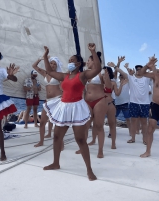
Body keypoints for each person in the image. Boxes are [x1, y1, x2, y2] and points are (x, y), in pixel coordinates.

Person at [42, 43, 100, 181]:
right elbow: (49, 71)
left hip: (77, 107)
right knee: (57, 137)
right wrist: (45, 56)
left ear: (79, 64)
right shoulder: (64, 76)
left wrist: (94, 52)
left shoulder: (83, 75)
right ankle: (56, 163)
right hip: (64, 107)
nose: (70, 62)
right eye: (69, 61)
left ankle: (89, 170)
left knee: (80, 139)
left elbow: (97, 69)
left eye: (72, 60)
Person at [115, 62, 152, 145]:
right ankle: (133, 138)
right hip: (133, 103)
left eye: (140, 69)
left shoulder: (147, 78)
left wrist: (151, 67)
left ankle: (145, 139)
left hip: (145, 104)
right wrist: (115, 66)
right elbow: (122, 72)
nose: (138, 70)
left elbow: (155, 73)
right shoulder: (131, 78)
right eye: (137, 69)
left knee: (144, 123)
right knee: (133, 122)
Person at [81, 51, 108, 158]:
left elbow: (108, 87)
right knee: (85, 126)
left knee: (99, 125)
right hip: (87, 100)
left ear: (94, 61)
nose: (87, 63)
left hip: (99, 100)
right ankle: (82, 148)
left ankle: (100, 150)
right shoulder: (86, 73)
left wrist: (106, 77)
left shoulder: (101, 72)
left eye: (88, 61)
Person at [31, 56, 63, 147]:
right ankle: (41, 141)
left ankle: (61, 143)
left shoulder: (59, 75)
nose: (52, 65)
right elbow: (34, 66)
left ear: (57, 66)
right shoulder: (45, 73)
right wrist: (40, 59)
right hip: (47, 100)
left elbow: (64, 88)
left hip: (57, 100)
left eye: (54, 64)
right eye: (51, 63)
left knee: (58, 123)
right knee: (42, 122)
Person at [113, 71, 131, 136]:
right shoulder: (116, 83)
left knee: (128, 119)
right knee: (113, 118)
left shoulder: (128, 83)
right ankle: (112, 132)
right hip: (117, 103)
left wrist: (126, 69)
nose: (122, 76)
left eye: (122, 75)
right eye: (120, 75)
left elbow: (128, 76)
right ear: (119, 76)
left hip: (125, 103)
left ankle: (131, 132)